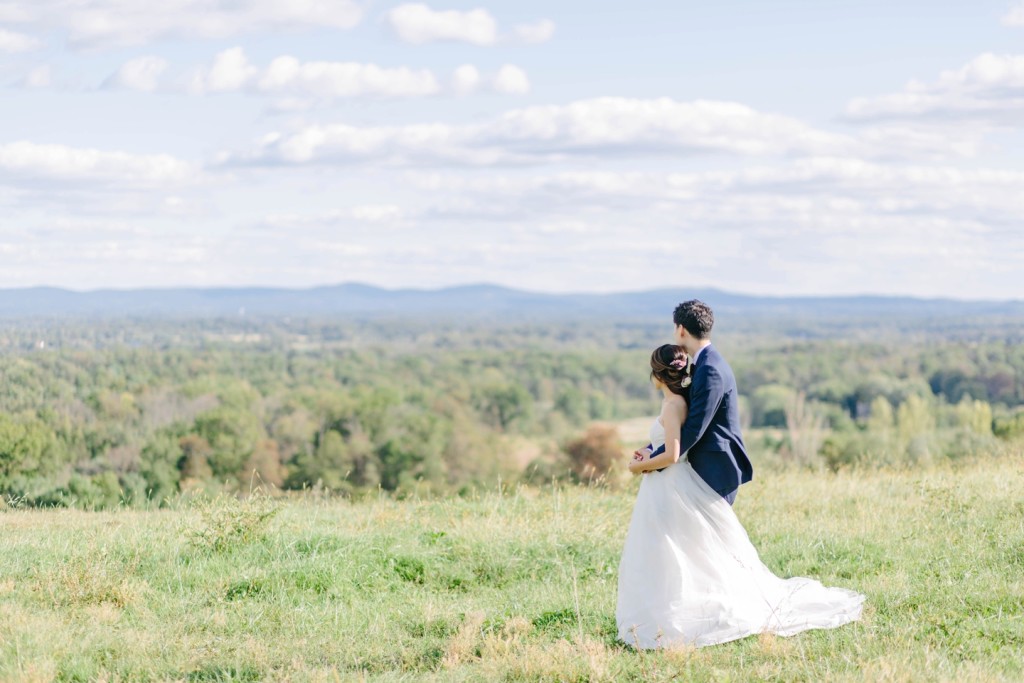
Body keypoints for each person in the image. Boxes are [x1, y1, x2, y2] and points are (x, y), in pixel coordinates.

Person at [615, 339, 865, 649]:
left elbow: (674, 454)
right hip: (666, 484)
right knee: (675, 549)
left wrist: (638, 467)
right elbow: (669, 443)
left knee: (673, 549)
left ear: (658, 375)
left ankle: (677, 613)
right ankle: (669, 608)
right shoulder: (677, 402)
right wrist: (648, 452)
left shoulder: (672, 405)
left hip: (671, 485)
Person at [635, 300, 751, 504]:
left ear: (681, 329)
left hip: (715, 466)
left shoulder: (710, 369)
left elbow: (693, 428)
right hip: (705, 464)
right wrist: (650, 448)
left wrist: (652, 462)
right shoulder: (704, 363)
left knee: (712, 534)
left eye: (674, 328)